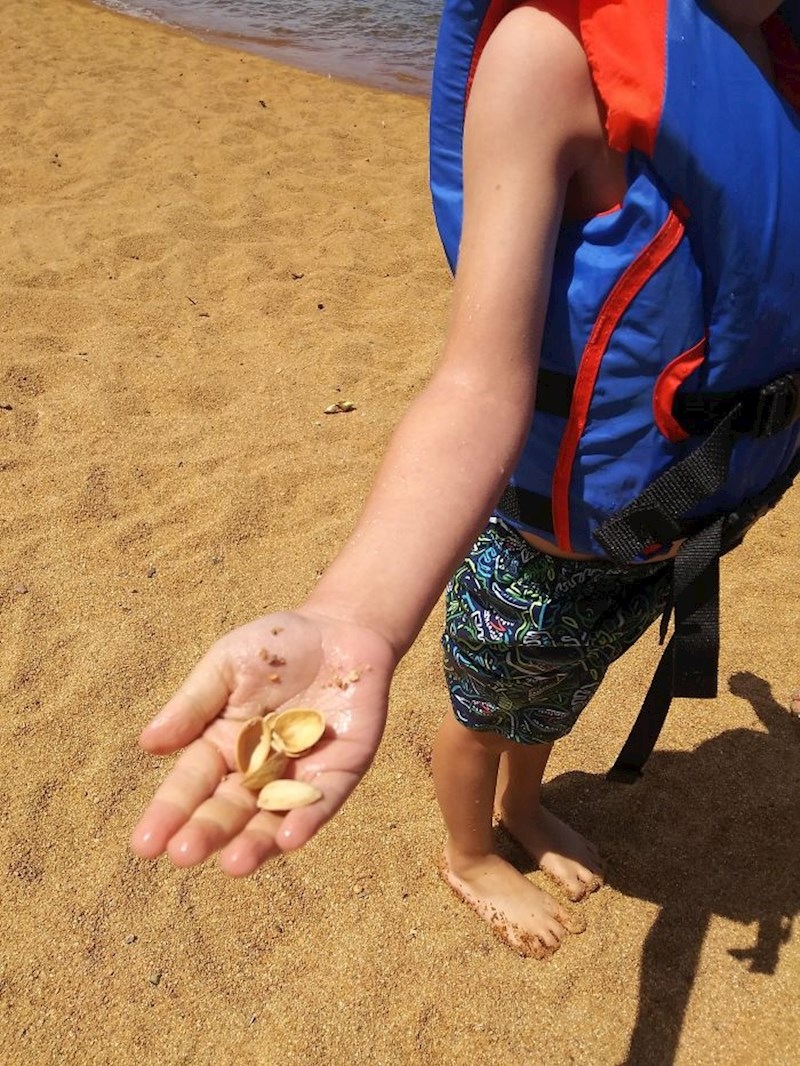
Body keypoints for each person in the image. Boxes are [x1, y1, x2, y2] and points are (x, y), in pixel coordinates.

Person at [131, 0, 800, 958]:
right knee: (485, 712)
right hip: (541, 548)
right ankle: (469, 851)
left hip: (662, 529)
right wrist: (356, 612)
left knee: (558, 693)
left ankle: (523, 808)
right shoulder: (548, 57)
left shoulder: (776, 50)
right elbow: (477, 381)